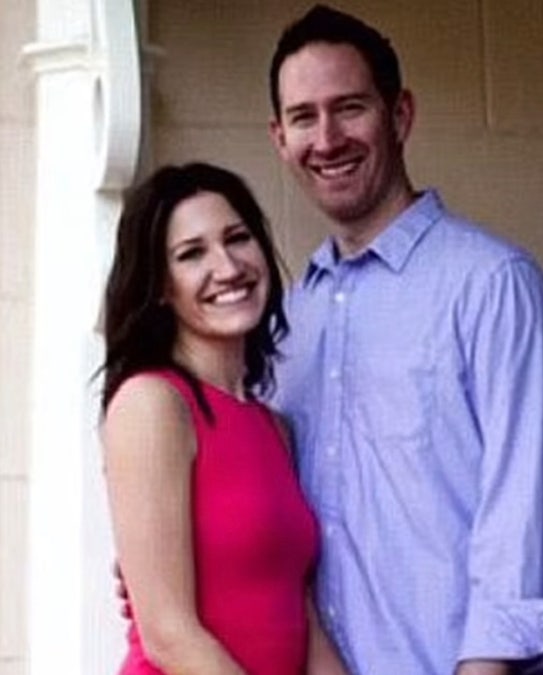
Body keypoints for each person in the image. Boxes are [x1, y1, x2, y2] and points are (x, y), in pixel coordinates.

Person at [266, 5, 543, 673]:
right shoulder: (291, 318)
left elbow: (524, 526)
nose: (327, 138)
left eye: (349, 108)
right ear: (279, 139)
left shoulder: (493, 283)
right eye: (303, 117)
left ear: (399, 115)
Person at [100, 162, 347, 673]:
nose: (228, 266)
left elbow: (298, 613)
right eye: (192, 254)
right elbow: (169, 633)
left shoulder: (276, 428)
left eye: (238, 238)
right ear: (161, 286)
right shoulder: (152, 404)